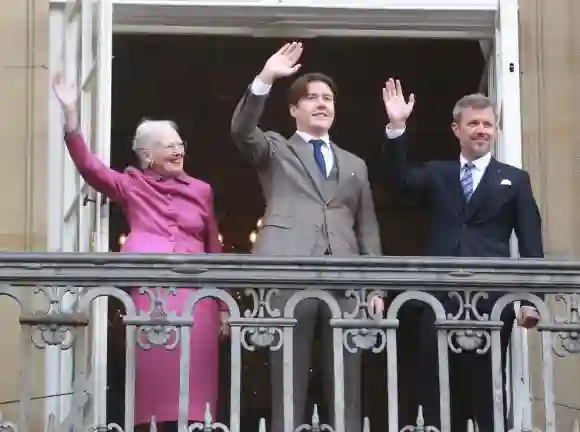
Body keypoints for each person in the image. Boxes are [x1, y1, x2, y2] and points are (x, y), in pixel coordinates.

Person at [51, 74, 229, 430]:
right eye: (168, 146)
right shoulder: (131, 184)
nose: (178, 150)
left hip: (197, 297)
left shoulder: (201, 190)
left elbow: (215, 247)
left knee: (196, 396)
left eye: (180, 144)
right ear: (147, 155)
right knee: (154, 391)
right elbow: (89, 166)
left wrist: (223, 307)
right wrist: (71, 115)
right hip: (152, 293)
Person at [230, 42, 383, 432]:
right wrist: (266, 77)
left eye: (327, 98)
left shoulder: (355, 164)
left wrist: (376, 287)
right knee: (288, 372)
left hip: (346, 278)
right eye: (311, 98)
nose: (321, 104)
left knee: (347, 375)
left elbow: (366, 226)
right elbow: (242, 130)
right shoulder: (276, 149)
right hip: (288, 270)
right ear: (294, 109)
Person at [381, 78, 544, 431]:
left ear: (496, 130)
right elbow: (399, 182)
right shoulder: (438, 173)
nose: (481, 130)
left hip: (490, 302)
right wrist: (397, 128)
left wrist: (532, 300)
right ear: (457, 129)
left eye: (487, 124)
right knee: (436, 392)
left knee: (489, 394)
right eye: (473, 123)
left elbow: (531, 241)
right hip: (438, 298)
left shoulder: (514, 180)